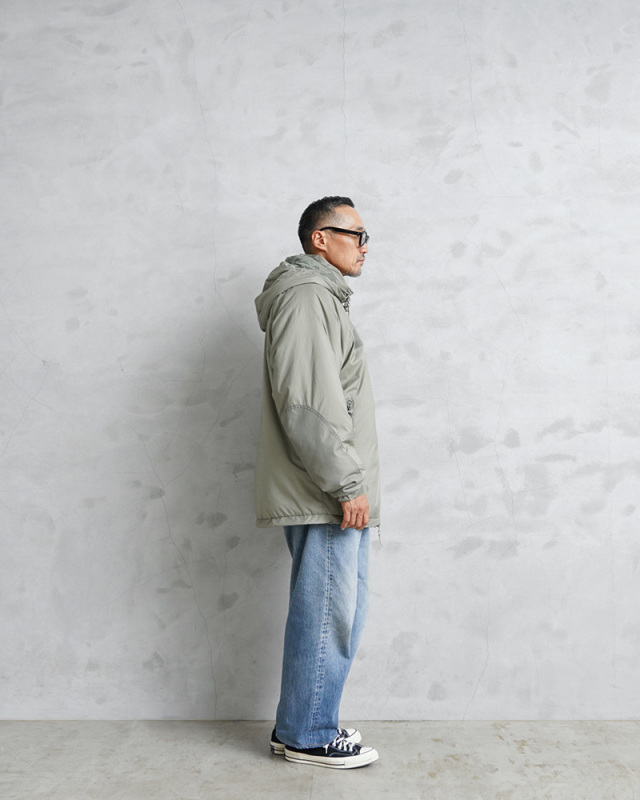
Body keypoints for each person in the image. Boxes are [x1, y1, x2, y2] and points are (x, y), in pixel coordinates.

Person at [254, 196, 381, 769]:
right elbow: (308, 404)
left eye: (366, 236)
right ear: (319, 239)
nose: (364, 246)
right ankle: (308, 733)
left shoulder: (322, 297)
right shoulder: (307, 296)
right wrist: (347, 484)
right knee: (329, 610)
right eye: (355, 234)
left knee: (333, 608)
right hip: (326, 489)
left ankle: (301, 724)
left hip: (328, 485)